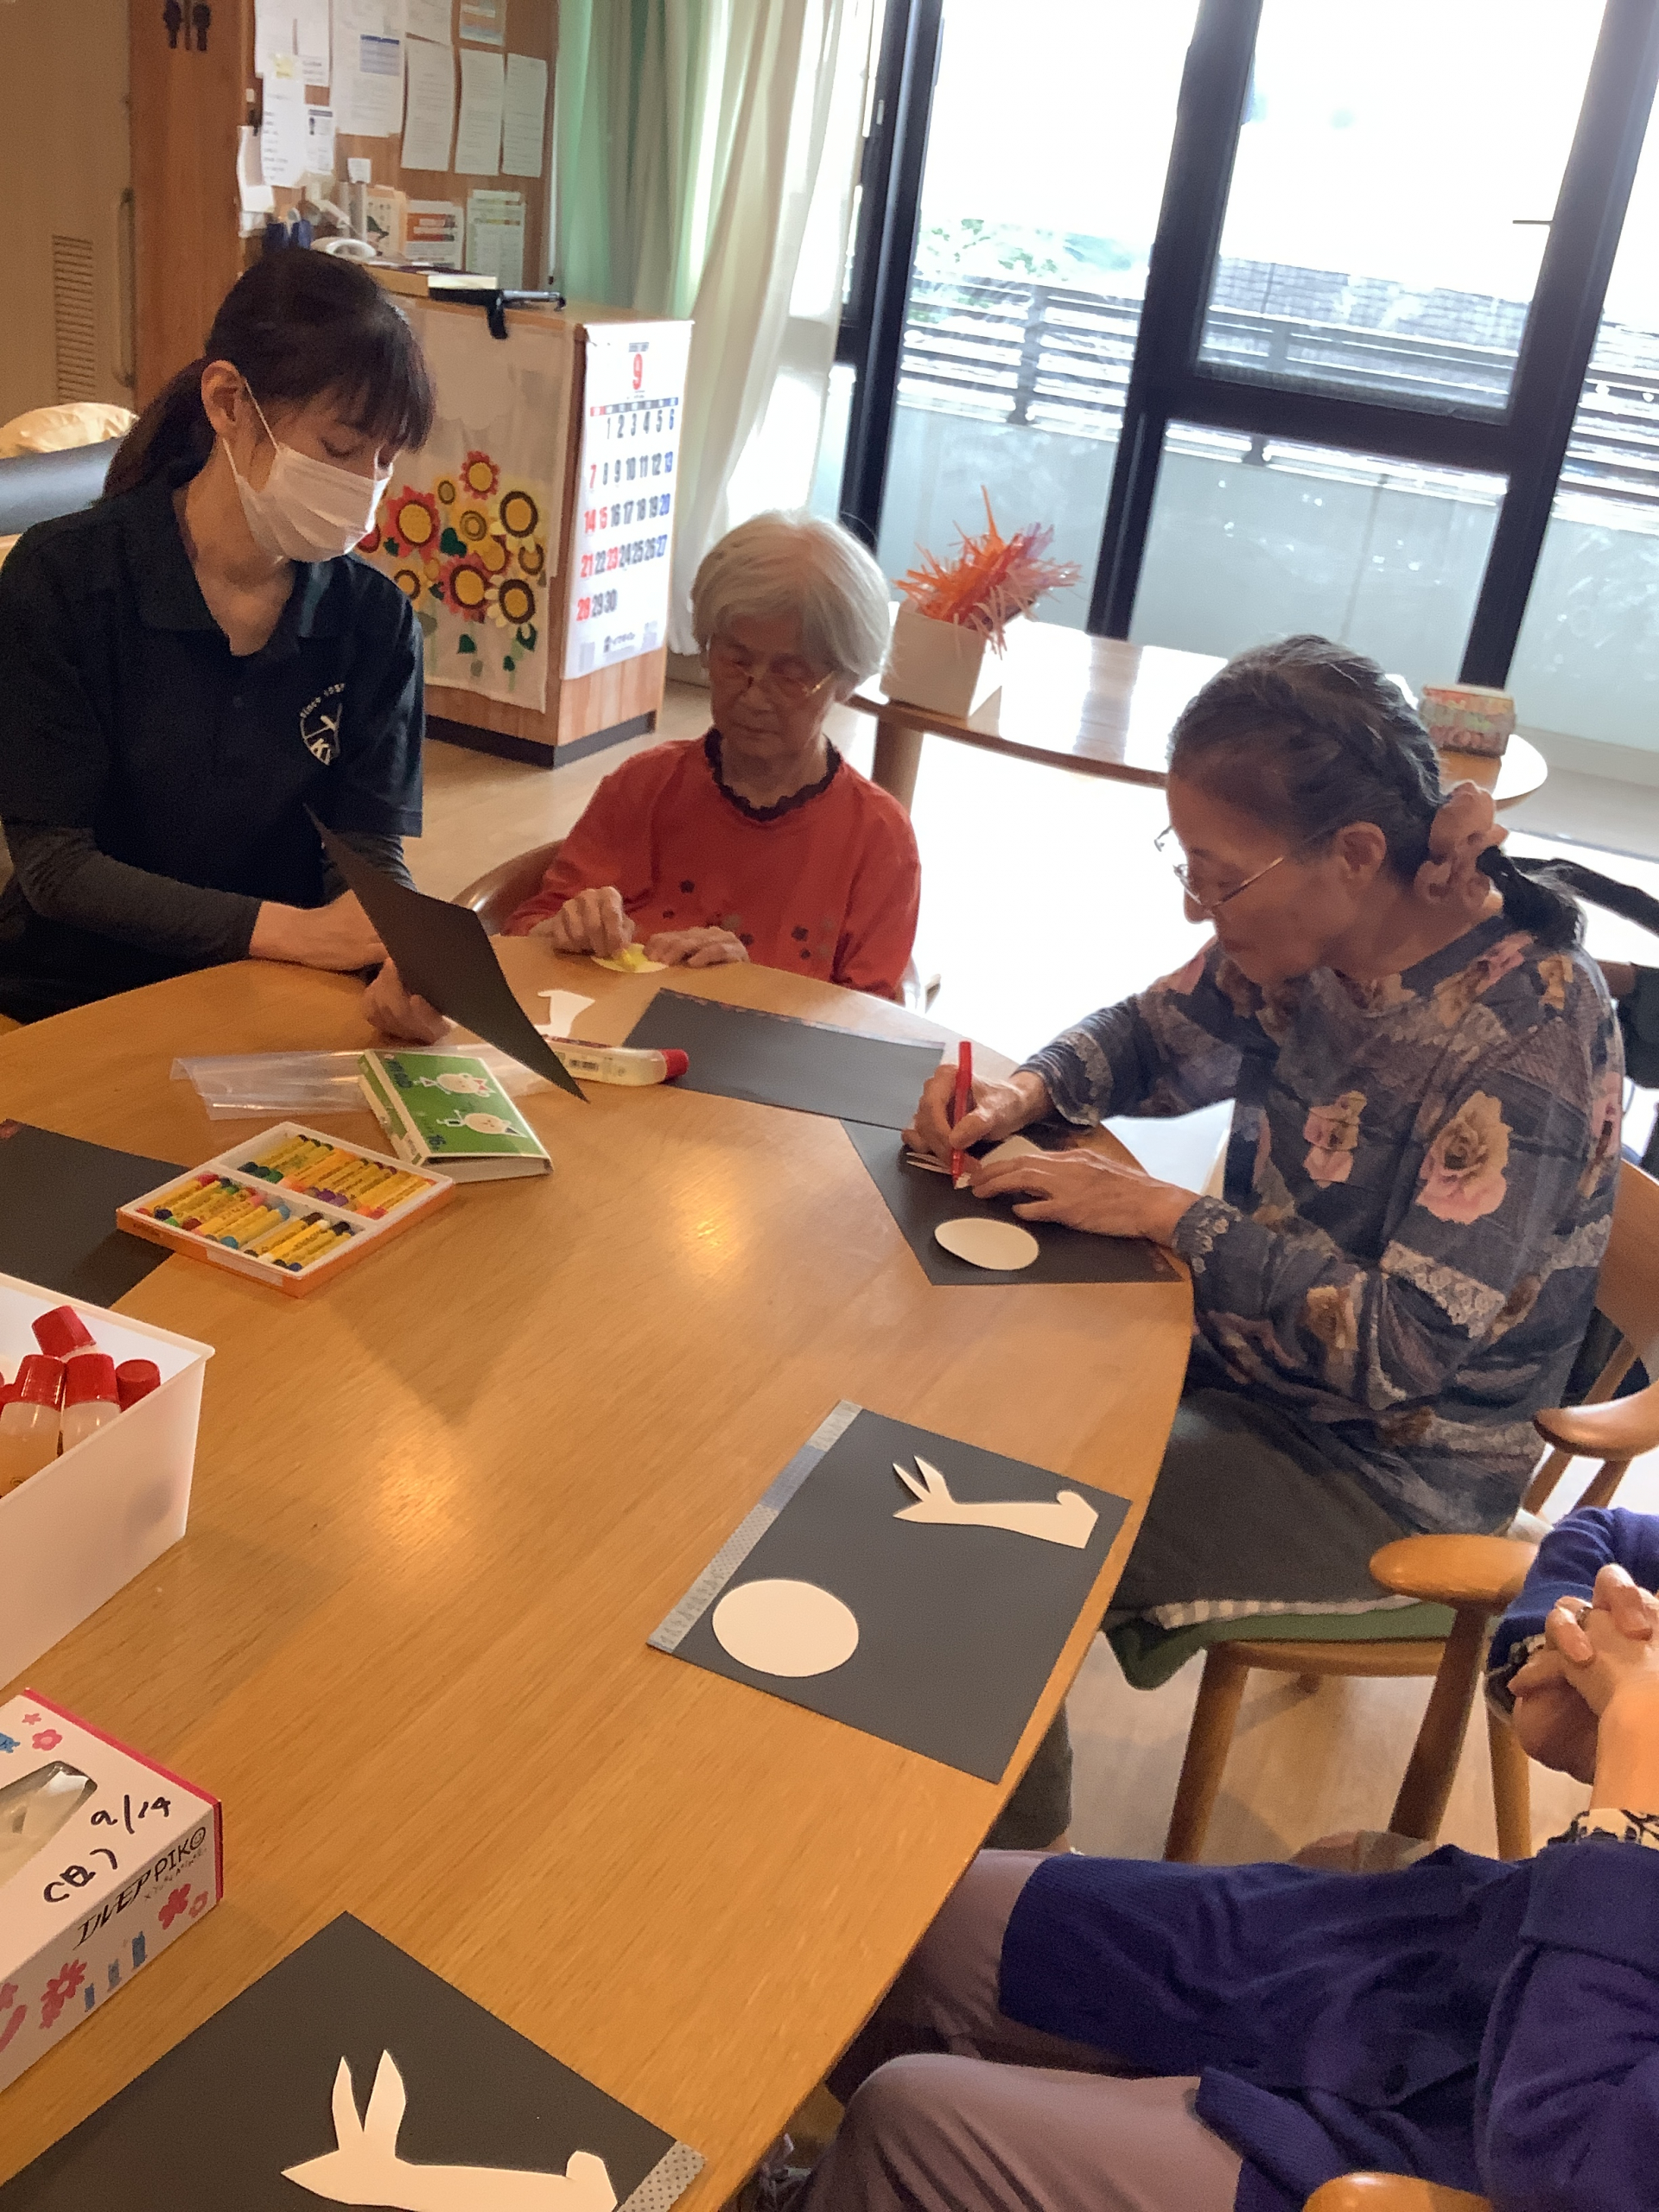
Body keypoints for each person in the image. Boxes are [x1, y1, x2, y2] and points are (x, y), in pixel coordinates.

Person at [906, 637, 1622, 1847]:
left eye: (1220, 877)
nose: (1197, 904)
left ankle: (1009, 1896)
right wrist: (1020, 1093)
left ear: (1356, 854)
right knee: (955, 1396)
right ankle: (946, 1826)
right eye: (1185, 864)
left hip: (1394, 1474)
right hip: (1251, 1367)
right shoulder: (1316, 942)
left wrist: (1169, 1216)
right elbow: (1150, 1033)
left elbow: (1400, 1350)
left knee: (992, 1531)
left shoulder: (1527, 1036)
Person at [758, 1510, 1659, 2212]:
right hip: (1432, 1958)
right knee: (911, 1920)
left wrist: (1633, 1806)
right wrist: (1558, 1647)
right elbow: (1611, 1535)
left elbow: (1570, 2162)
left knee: (911, 2120)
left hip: (1471, 2149)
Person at [0, 250, 442, 1039]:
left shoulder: (374, 621)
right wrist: (297, 932)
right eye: (340, 449)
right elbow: (56, 867)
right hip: (71, 998)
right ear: (229, 402)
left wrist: (395, 946)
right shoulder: (64, 579)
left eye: (384, 461)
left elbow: (363, 844)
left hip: (273, 990)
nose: (363, 488)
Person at [501, 512, 920, 1001]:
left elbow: (872, 1025)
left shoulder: (878, 839)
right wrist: (561, 929)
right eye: (735, 660)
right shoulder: (645, 786)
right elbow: (524, 933)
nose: (754, 695)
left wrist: (748, 990)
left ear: (847, 680)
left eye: (790, 674)